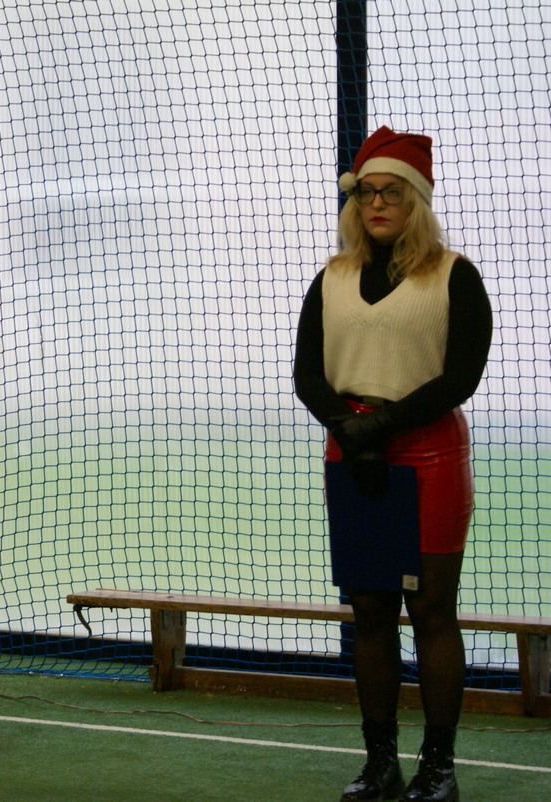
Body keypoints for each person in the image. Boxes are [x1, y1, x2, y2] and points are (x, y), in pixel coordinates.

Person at [294, 126, 492, 802]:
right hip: (351, 450)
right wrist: (353, 432)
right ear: (355, 203)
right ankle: (381, 765)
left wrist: (379, 426)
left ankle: (439, 770)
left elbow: (460, 377)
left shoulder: (455, 275)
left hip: (429, 451)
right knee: (371, 612)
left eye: (393, 193)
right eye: (367, 193)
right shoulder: (332, 277)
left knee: (432, 611)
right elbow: (307, 375)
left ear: (417, 201)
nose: (378, 203)